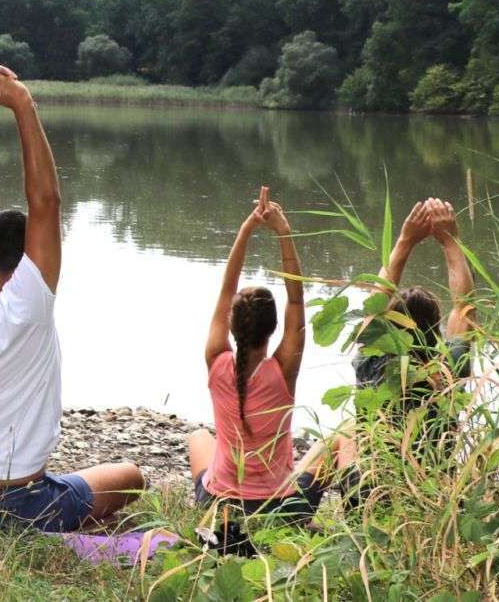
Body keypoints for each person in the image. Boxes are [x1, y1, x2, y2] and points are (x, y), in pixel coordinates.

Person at [0, 51, 143, 530]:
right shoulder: (27, 305)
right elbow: (46, 200)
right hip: (15, 502)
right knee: (132, 476)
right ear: (25, 264)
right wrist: (22, 104)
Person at [186, 188, 334, 524]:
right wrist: (283, 231)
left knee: (197, 437)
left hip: (219, 506)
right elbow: (296, 299)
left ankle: (216, 507)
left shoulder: (216, 359)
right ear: (273, 328)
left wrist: (246, 230)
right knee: (334, 443)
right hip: (280, 510)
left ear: (231, 324)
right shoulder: (284, 369)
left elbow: (227, 288)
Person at [356, 197, 476, 397]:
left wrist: (405, 240)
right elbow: (464, 308)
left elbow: (375, 305)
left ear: (389, 326)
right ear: (435, 328)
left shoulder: (370, 363)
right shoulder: (447, 369)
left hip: (379, 429)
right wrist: (450, 240)